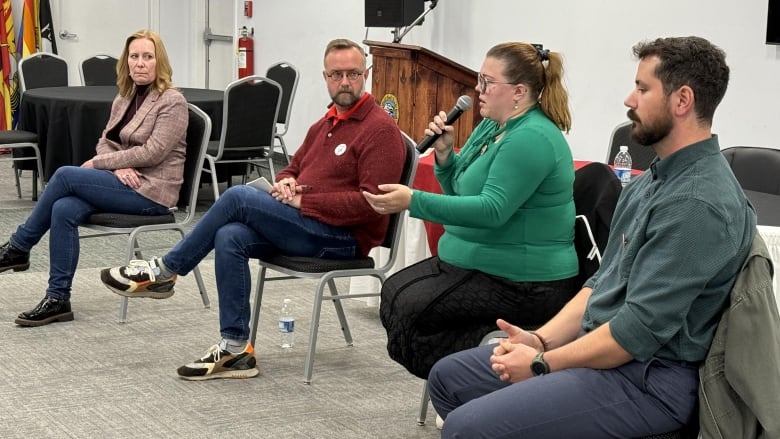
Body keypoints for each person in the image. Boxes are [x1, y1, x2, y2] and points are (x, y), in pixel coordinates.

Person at [426, 36, 756, 438]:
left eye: (642, 88)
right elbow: (602, 283)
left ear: (682, 100)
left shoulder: (697, 203)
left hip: (649, 379)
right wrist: (539, 340)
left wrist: (542, 364)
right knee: (448, 378)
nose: (628, 100)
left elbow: (636, 333)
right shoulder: (653, 181)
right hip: (608, 350)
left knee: (466, 428)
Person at [100, 38, 407, 381]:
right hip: (306, 226)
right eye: (336, 74)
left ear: (365, 74)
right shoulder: (325, 124)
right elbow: (293, 166)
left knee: (237, 198)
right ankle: (235, 349)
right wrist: (288, 181)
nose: (345, 82)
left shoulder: (380, 129)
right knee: (231, 235)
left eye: (352, 73)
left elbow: (371, 205)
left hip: (342, 239)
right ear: (325, 76)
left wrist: (305, 200)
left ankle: (166, 270)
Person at [363, 42, 579, 380]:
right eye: (480, 78)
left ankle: (475, 377)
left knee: (413, 309)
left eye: (487, 82)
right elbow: (461, 192)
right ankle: (464, 378)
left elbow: (491, 210)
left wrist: (413, 200)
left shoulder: (532, 137)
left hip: (524, 281)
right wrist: (447, 156)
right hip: (479, 261)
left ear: (518, 92)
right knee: (393, 293)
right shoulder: (494, 125)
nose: (477, 89)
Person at [0, 29, 188, 327]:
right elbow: (105, 140)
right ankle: (57, 299)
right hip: (122, 183)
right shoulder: (124, 98)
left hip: (151, 192)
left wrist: (102, 163)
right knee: (63, 209)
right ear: (126, 62)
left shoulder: (172, 102)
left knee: (64, 175)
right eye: (134, 56)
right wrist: (114, 166)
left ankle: (18, 247)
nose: (140, 63)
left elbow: (152, 153)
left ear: (159, 62)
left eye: (147, 57)